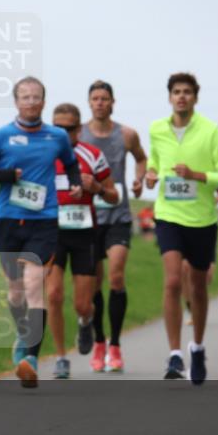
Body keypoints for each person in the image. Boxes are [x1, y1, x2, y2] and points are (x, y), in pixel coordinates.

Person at [0, 76, 82, 388]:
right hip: (7, 220)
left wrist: (75, 182)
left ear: (44, 101)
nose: (31, 102)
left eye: (36, 97)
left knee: (33, 285)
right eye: (25, 97)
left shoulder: (57, 136)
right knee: (16, 292)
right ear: (16, 102)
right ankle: (23, 334)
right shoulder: (1, 136)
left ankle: (30, 359)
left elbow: (71, 163)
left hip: (43, 221)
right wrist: (6, 175)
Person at [145, 72, 218, 384]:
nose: (181, 96)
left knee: (197, 286)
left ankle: (197, 346)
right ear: (169, 97)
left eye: (186, 92)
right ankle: (174, 354)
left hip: (201, 219)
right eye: (176, 92)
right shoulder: (157, 129)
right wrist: (151, 174)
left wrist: (197, 175)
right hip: (168, 214)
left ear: (195, 97)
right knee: (172, 281)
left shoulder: (211, 131)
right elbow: (155, 161)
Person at [47, 103, 121, 377]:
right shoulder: (43, 155)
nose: (63, 133)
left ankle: (85, 320)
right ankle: (60, 358)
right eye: (57, 128)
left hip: (83, 233)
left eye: (68, 128)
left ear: (78, 129)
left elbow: (114, 196)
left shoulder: (92, 155)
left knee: (83, 303)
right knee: (53, 295)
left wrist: (97, 187)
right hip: (52, 232)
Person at [78, 80, 147, 372]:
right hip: (88, 217)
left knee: (116, 277)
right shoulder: (79, 134)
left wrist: (139, 179)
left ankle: (116, 346)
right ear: (89, 103)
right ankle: (99, 341)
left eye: (104, 98)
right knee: (94, 282)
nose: (100, 103)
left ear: (113, 103)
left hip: (118, 214)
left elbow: (141, 158)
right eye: (95, 98)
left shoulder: (127, 134)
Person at [184, 188, 218, 326]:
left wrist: (213, 200)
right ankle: (191, 308)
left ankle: (198, 303)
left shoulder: (207, 175)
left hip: (206, 226)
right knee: (184, 270)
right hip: (183, 224)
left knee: (206, 276)